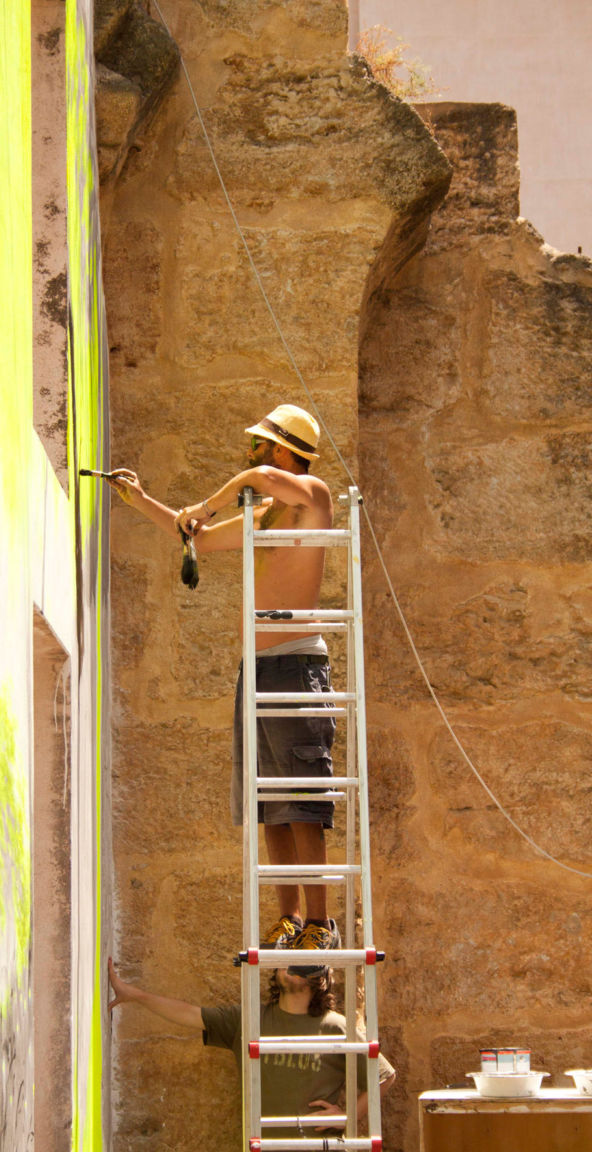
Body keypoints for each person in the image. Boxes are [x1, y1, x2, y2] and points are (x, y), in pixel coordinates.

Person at [107, 404, 338, 952]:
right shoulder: (264, 518)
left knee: (302, 802)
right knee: (272, 808)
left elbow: (257, 480)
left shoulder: (315, 497)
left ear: (283, 450)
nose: (252, 450)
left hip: (297, 666)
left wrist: (203, 506)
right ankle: (289, 919)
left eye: (260, 442)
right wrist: (143, 501)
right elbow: (199, 541)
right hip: (256, 673)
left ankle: (320, 925)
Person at [107, 957, 395, 1137]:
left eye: (301, 961)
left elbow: (385, 1076)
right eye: (285, 960)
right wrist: (133, 995)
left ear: (318, 979)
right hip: (261, 1146)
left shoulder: (336, 1026)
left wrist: (346, 1115)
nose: (290, 965)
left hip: (316, 1147)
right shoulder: (249, 1020)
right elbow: (189, 1014)